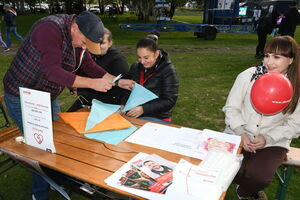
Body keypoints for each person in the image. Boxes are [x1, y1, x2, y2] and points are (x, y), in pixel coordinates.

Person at [3, 11, 134, 200]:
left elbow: (88, 65)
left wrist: (117, 80)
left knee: (58, 142)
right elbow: (52, 72)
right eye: (84, 42)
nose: (84, 47)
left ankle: (56, 181)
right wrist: (91, 83)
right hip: (22, 95)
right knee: (40, 147)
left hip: (47, 95)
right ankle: (39, 194)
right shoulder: (48, 29)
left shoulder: (78, 38)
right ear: (74, 28)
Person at [223, 36, 300, 200]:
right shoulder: (248, 76)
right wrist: (241, 132)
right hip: (239, 133)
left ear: (291, 59)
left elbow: (295, 124)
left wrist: (267, 138)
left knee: (259, 177)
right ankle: (244, 182)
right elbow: (231, 108)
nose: (269, 62)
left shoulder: (297, 86)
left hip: (274, 140)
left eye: (277, 57)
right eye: (267, 55)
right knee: (230, 169)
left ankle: (244, 192)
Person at [67, 27, 129, 111]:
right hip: (86, 99)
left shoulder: (118, 60)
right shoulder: (87, 55)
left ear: (110, 43)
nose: (98, 46)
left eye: (102, 43)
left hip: (107, 103)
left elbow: (123, 88)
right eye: (96, 43)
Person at [121, 37, 179, 124]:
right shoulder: (135, 67)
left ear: (156, 54)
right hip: (133, 114)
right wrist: (123, 104)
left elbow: (169, 100)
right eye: (139, 57)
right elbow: (127, 90)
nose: (142, 62)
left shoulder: (168, 71)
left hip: (158, 116)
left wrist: (143, 109)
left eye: (146, 57)